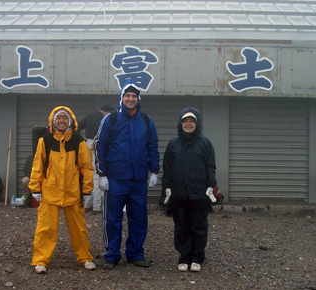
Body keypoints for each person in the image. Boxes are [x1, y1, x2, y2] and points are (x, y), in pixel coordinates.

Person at [94, 79, 160, 270]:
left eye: (134, 96)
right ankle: (111, 255)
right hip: (115, 178)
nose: (130, 99)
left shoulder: (146, 120)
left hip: (138, 179)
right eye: (127, 96)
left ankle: (135, 254)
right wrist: (102, 174)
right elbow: (100, 147)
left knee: (138, 218)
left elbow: (152, 146)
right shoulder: (111, 119)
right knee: (113, 219)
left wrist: (154, 170)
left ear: (138, 99)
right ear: (122, 98)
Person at [29, 106, 96, 274]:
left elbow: (86, 167)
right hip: (49, 192)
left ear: (71, 121)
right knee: (45, 229)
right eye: (58, 118)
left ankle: (85, 258)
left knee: (79, 229)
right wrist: (35, 188)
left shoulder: (78, 141)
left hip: (73, 192)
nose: (61, 121)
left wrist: (87, 189)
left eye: (64, 118)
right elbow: (37, 165)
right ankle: (41, 260)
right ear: (53, 121)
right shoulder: (45, 141)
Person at [162, 107, 217, 273]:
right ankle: (184, 257)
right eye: (185, 121)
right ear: (180, 124)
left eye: (191, 121)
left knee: (198, 227)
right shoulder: (173, 144)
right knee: (181, 227)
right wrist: (167, 188)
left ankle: (197, 258)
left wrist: (210, 186)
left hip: (198, 194)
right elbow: (168, 168)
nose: (188, 124)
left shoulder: (205, 143)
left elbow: (210, 166)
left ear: (197, 124)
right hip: (179, 194)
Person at [77, 104, 115, 212]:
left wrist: (81, 141)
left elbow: (77, 127)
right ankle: (97, 206)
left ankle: (88, 204)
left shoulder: (90, 116)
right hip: (98, 145)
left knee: (89, 173)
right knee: (98, 174)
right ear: (107, 112)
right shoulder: (104, 119)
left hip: (88, 144)